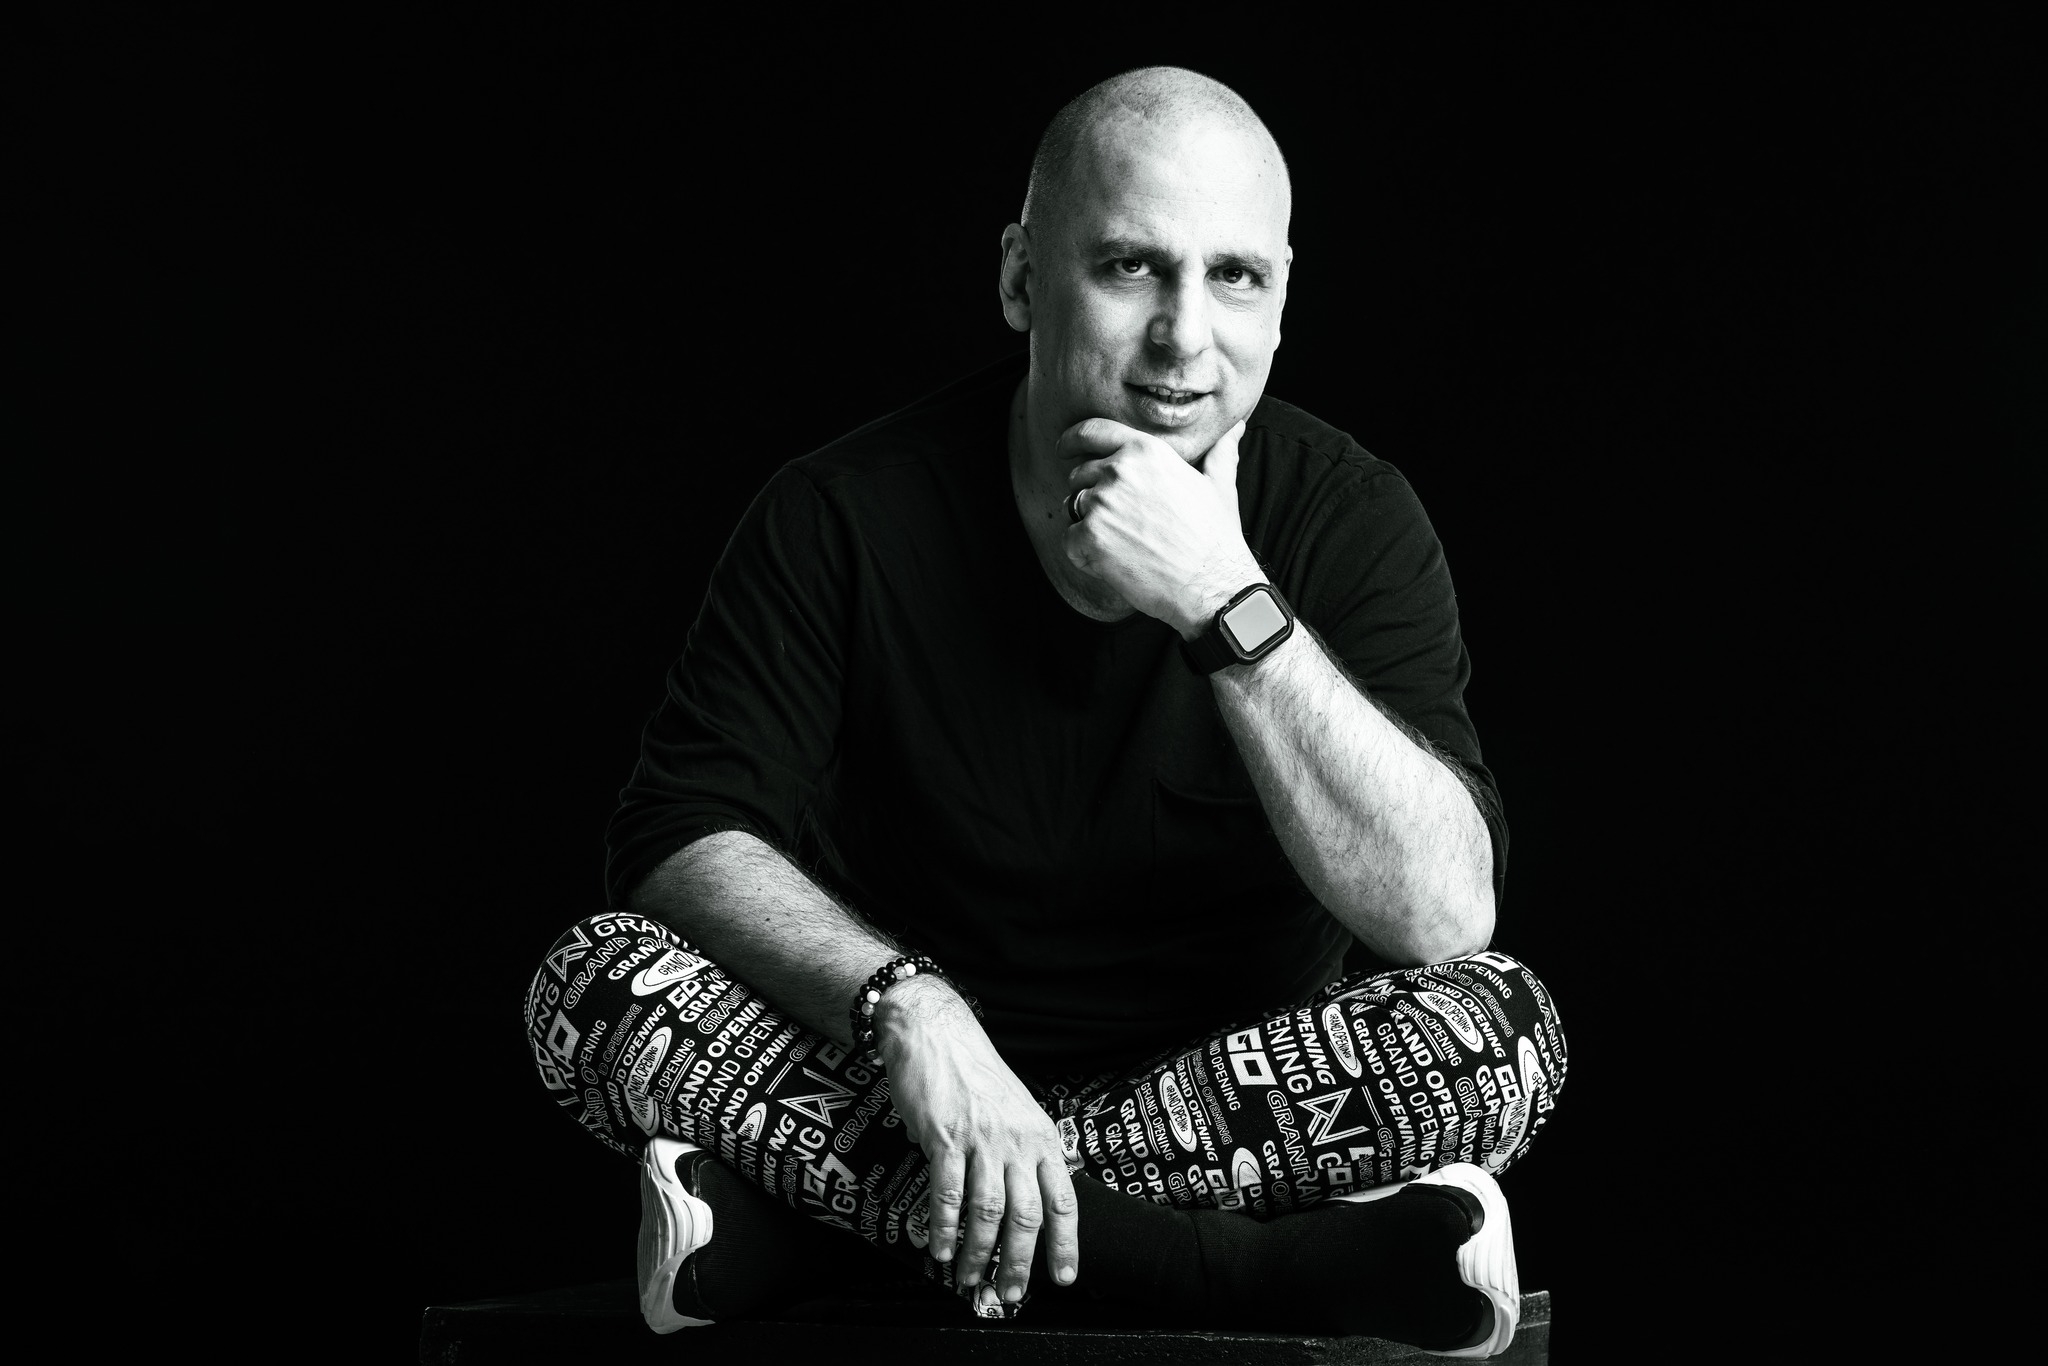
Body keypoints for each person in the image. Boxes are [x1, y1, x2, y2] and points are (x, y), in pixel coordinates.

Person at [525, 66, 1566, 1357]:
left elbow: (1444, 918)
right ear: (1023, 278)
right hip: (899, 1079)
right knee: (593, 988)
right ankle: (1234, 1270)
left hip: (1232, 1105)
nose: (1185, 337)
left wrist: (1224, 601)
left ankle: (833, 1234)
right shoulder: (841, 512)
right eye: (1131, 267)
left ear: (1284, 298)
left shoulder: (1350, 515)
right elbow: (682, 833)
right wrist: (909, 1006)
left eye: (1235, 277)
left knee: (1498, 1033)